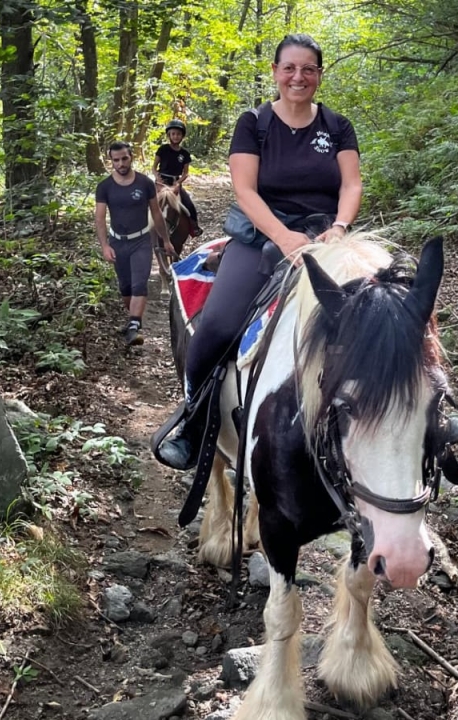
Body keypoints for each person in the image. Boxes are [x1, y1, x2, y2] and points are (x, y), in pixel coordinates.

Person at [154, 33, 362, 470]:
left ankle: (406, 422)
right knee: (219, 324)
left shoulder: (337, 126)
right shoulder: (254, 123)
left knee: (382, 313)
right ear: (275, 72)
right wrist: (284, 237)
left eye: (308, 69)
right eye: (289, 68)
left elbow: (351, 184)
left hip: (326, 238)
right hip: (259, 236)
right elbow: (245, 190)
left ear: (319, 75)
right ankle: (192, 422)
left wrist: (340, 227)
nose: (298, 77)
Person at [95, 141, 175, 346]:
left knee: (140, 283)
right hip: (117, 242)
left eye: (124, 158)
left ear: (131, 157)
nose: (121, 163)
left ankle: (134, 326)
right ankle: (132, 320)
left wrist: (165, 240)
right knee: (126, 287)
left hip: (141, 241)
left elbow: (156, 213)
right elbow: (100, 218)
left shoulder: (144, 183)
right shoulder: (104, 187)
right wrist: (105, 245)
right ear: (111, 161)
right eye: (116, 160)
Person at [154, 119, 203, 237]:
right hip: (161, 182)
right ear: (169, 135)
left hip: (175, 183)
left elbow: (186, 173)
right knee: (146, 202)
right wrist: (157, 178)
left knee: (189, 204)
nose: (176, 136)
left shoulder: (185, 154)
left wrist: (178, 182)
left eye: (178, 134)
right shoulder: (163, 149)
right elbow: (154, 168)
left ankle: (194, 226)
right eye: (173, 134)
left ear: (182, 136)